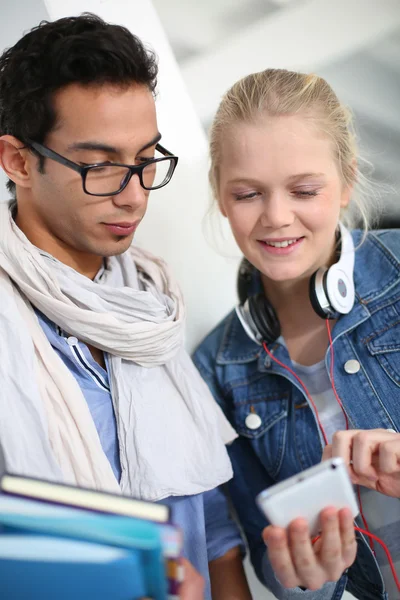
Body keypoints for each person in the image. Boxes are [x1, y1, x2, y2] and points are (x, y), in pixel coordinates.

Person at [0, 14, 252, 599]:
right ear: (16, 160)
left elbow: (211, 525)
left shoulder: (150, 307)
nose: (135, 193)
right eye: (100, 165)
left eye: (144, 158)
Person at [193, 68, 400, 599]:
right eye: (247, 195)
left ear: (347, 180)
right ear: (220, 194)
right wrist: (301, 575)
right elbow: (270, 560)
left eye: (304, 190)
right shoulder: (215, 368)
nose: (277, 217)